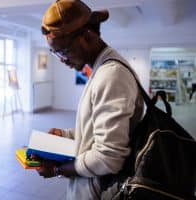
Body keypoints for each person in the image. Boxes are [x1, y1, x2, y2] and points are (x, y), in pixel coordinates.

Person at [36, 0, 144, 199]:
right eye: (55, 52)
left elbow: (109, 157)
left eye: (63, 51)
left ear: (86, 37)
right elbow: (97, 131)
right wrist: (66, 134)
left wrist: (58, 170)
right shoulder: (101, 69)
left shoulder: (111, 75)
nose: (61, 59)